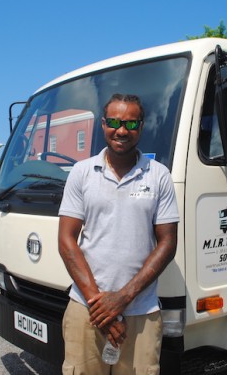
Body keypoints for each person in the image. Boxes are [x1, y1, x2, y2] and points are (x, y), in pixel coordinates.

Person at [58, 93, 179, 375]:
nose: (121, 130)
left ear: (141, 126)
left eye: (131, 124)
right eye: (114, 122)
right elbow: (66, 240)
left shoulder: (159, 175)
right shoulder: (81, 172)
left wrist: (122, 298)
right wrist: (101, 307)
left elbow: (168, 242)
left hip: (141, 313)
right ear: (103, 124)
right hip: (86, 309)